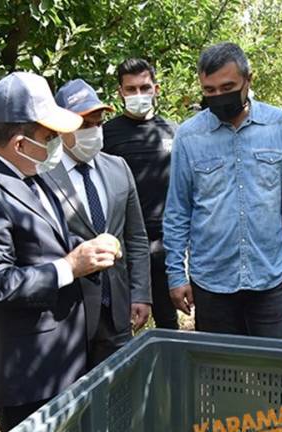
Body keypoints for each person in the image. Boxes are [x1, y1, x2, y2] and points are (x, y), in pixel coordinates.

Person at [0, 72, 118, 432]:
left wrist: (85, 252)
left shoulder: (31, 172)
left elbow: (45, 243)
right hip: (29, 375)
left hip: (64, 360)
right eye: (50, 136)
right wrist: (70, 266)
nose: (58, 143)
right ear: (20, 143)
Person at [163, 42, 282, 338]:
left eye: (227, 87)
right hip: (212, 281)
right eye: (209, 91)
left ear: (248, 80)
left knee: (273, 373)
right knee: (219, 376)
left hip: (269, 277)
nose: (218, 96)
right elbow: (178, 211)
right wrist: (176, 275)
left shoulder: (279, 125)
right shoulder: (189, 136)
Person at [43, 79, 151, 367]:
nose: (93, 131)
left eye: (98, 122)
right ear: (60, 129)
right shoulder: (42, 177)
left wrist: (141, 293)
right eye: (83, 125)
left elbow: (136, 237)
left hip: (117, 310)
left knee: (119, 394)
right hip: (68, 316)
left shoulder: (118, 168)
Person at [103, 58, 180, 330]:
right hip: (123, 246)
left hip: (166, 244)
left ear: (156, 89)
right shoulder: (105, 135)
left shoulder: (174, 132)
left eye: (144, 87)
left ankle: (170, 372)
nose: (138, 95)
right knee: (120, 323)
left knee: (168, 321)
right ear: (120, 93)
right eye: (131, 89)